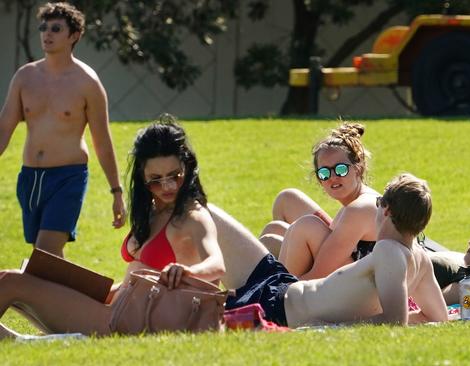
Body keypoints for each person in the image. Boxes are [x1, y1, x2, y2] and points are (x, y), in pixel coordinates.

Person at [0, 118, 225, 339]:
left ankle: (19, 341)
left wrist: (185, 271)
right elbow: (133, 282)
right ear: (142, 177)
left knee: (11, 283)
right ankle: (18, 342)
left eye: (174, 177)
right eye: (155, 180)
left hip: (123, 321)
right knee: (12, 277)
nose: (167, 186)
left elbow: (217, 263)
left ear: (187, 168)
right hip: (115, 305)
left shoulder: (193, 216)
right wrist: (86, 288)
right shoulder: (153, 211)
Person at [220, 173, 448, 327]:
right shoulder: (420, 259)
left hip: (275, 305)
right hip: (280, 289)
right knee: (262, 234)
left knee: (206, 217)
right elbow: (437, 317)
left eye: (379, 203)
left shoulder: (389, 250)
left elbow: (395, 321)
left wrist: (331, 326)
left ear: (386, 210)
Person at [0, 2, 125, 257]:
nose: (47, 34)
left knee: (44, 253)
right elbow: (4, 128)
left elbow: (102, 140)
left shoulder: (87, 83)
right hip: (31, 179)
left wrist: (116, 191)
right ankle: (83, 296)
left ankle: (30, 295)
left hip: (69, 177)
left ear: (74, 35)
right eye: (44, 28)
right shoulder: (25, 77)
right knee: (50, 258)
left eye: (56, 29)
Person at [259, 122, 380, 280]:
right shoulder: (357, 203)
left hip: (364, 292)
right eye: (324, 173)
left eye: (341, 169)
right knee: (274, 229)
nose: (333, 177)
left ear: (358, 168)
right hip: (356, 279)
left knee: (306, 226)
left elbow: (318, 275)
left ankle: (273, 298)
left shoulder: (360, 208)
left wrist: (284, 289)